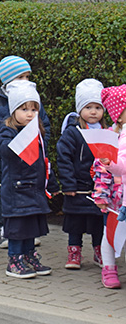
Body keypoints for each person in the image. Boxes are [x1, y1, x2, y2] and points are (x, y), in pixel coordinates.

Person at [0, 56, 52, 248]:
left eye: (27, 76)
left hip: (29, 160)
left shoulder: (32, 100)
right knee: (0, 191)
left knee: (27, 192)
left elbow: (44, 126)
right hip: (2, 158)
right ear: (7, 79)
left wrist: (40, 146)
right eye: (20, 77)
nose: (25, 81)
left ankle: (26, 231)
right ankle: (1, 229)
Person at [0, 81, 58, 279]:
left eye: (33, 109)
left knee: (31, 226)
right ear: (14, 111)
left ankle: (30, 256)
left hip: (34, 189)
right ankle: (14, 259)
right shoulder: (8, 131)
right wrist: (19, 141)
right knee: (18, 227)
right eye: (24, 109)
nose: (30, 114)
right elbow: (4, 150)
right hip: (16, 189)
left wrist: (52, 183)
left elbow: (42, 161)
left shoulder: (37, 134)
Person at [56, 79, 106, 269]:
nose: (93, 112)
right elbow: (64, 158)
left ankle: (99, 250)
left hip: (98, 188)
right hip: (77, 187)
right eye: (88, 107)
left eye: (97, 107)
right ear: (79, 110)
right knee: (75, 221)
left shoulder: (107, 131)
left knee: (97, 222)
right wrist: (68, 184)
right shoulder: (72, 132)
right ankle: (74, 251)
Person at [97, 84, 126, 288]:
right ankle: (108, 267)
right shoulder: (114, 138)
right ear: (120, 115)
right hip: (116, 196)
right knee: (111, 232)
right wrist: (101, 196)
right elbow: (115, 167)